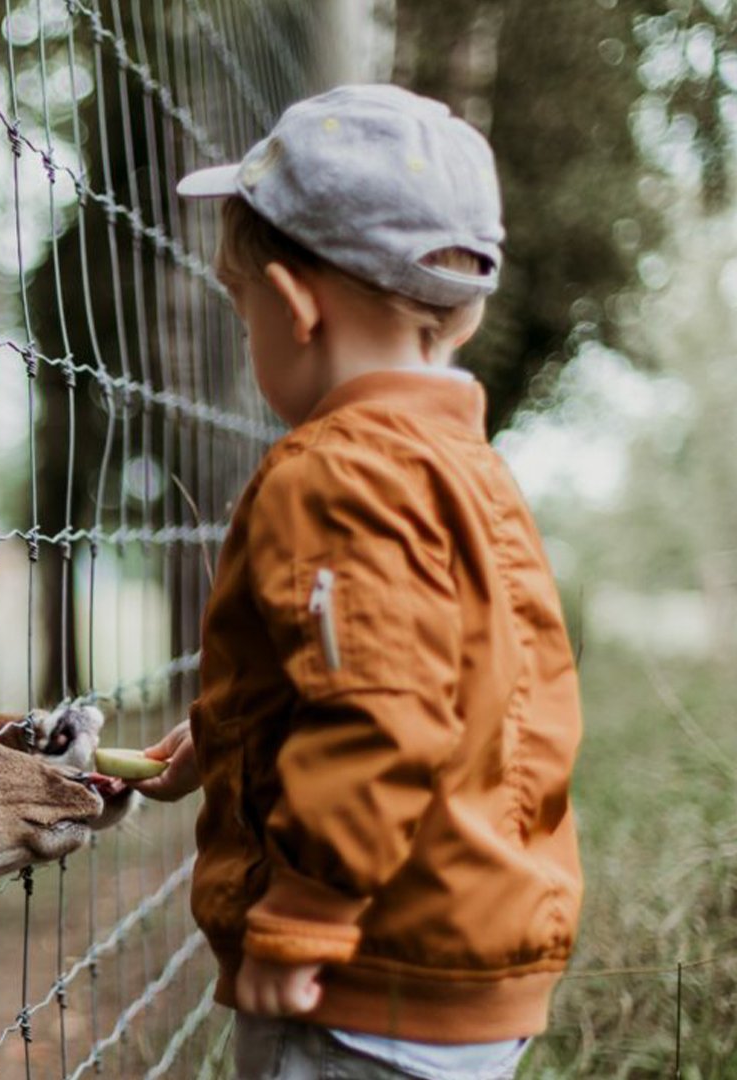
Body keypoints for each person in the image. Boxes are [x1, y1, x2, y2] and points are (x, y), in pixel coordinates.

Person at [127, 85, 583, 1079]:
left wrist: (304, 916)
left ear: (292, 311)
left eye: (242, 308)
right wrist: (223, 736)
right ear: (458, 321)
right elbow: (455, 687)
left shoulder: (333, 474)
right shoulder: (471, 472)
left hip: (362, 981)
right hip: (467, 953)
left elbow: (381, 712)